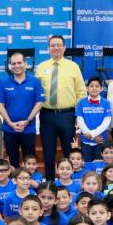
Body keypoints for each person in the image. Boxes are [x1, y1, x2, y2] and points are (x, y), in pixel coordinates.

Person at [35, 35, 87, 180]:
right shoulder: (41, 67)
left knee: (69, 151)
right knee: (48, 152)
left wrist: (79, 115)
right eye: (53, 45)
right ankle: (50, 182)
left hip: (67, 115)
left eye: (59, 45)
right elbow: (36, 92)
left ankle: (70, 182)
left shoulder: (73, 67)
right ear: (48, 48)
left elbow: (81, 92)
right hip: (47, 115)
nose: (56, 48)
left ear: (64, 48)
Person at [0, 52, 45, 168]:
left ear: (25, 64)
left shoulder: (35, 82)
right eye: (13, 63)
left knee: (29, 162)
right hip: (10, 129)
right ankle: (14, 185)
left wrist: (27, 121)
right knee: (12, 162)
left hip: (28, 129)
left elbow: (40, 102)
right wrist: (10, 123)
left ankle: (29, 185)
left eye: (19, 62)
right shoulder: (4, 83)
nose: (16, 66)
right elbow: (0, 105)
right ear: (10, 66)